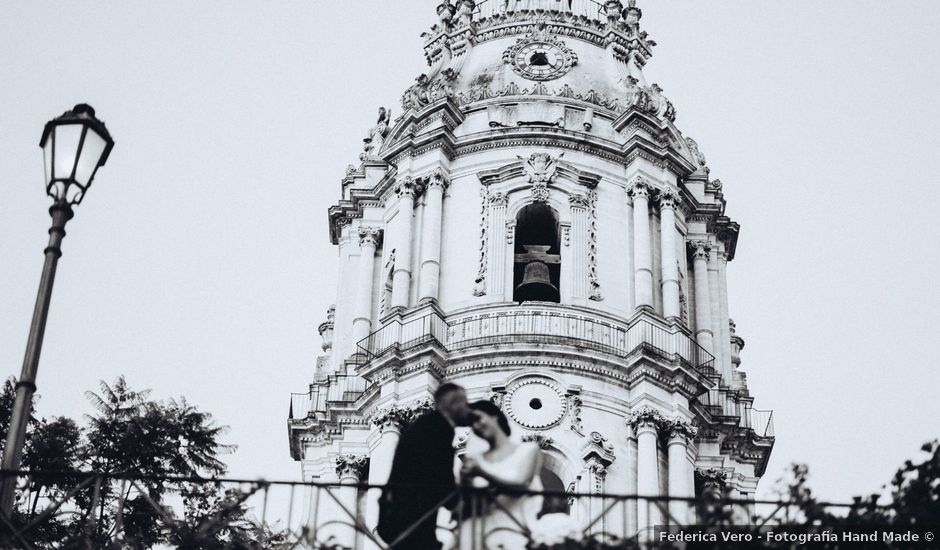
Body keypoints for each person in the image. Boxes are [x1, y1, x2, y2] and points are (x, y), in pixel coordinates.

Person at [378, 383, 472, 550]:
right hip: (410, 511)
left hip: (402, 508)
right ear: (454, 404)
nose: (468, 409)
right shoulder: (439, 427)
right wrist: (456, 504)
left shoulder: (426, 424)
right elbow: (440, 473)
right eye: (465, 403)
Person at [458, 400, 543, 549]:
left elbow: (521, 484)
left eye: (478, 418)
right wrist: (465, 481)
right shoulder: (476, 459)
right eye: (472, 424)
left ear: (494, 416)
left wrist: (482, 473)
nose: (476, 426)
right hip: (477, 530)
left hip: (513, 529)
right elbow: (468, 503)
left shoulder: (528, 450)